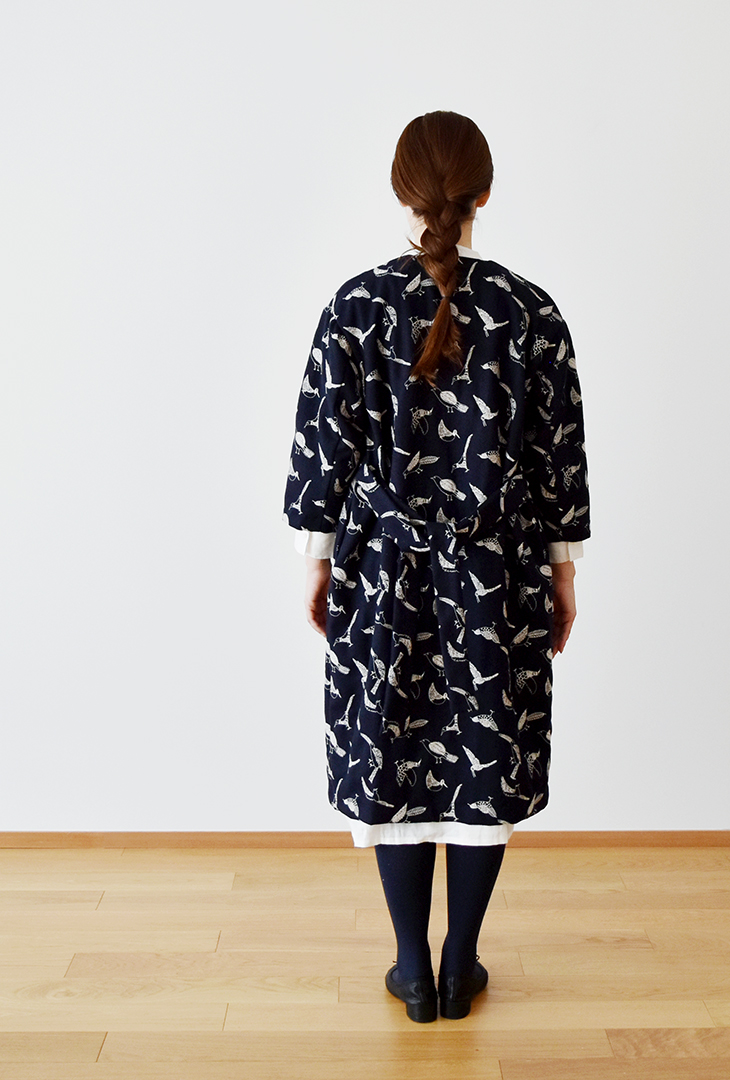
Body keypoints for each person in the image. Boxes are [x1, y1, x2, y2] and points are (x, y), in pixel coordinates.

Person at [283, 111, 590, 1023]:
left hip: (383, 573)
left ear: (402, 192)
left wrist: (318, 563)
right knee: (482, 751)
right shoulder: (531, 312)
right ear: (484, 193)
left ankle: (412, 968)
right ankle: (462, 961)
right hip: (497, 571)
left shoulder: (355, 307)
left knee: (393, 748)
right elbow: (559, 459)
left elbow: (323, 450)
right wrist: (562, 574)